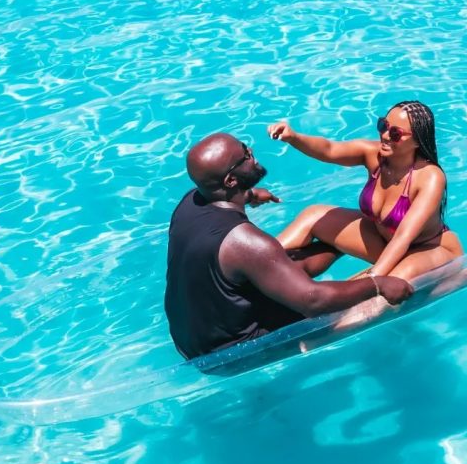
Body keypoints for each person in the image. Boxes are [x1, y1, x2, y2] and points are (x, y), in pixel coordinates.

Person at [165, 132, 413, 360]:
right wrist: (377, 285)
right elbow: (314, 301)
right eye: (245, 155)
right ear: (230, 181)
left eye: (245, 146)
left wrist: (250, 194)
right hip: (234, 351)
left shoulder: (191, 201)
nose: (252, 152)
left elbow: (223, 200)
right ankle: (311, 341)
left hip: (193, 336)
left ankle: (343, 248)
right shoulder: (244, 242)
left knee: (285, 264)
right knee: (374, 302)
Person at [268, 100, 464, 282]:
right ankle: (261, 260)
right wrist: (293, 137)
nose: (385, 136)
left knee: (376, 290)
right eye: (383, 125)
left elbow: (403, 237)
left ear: (417, 141)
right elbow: (330, 149)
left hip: (427, 250)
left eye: (395, 133)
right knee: (313, 215)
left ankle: (455, 278)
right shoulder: (373, 154)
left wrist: (371, 280)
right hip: (383, 242)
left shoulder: (430, 177)